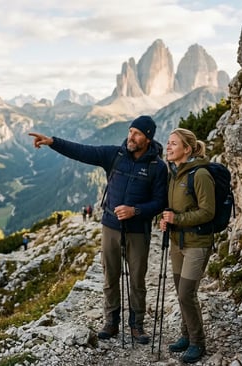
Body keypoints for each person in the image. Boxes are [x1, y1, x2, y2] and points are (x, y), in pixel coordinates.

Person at [29, 115, 168, 343]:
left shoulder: (157, 167)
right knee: (110, 276)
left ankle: (137, 325)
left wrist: (136, 211)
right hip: (110, 226)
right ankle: (111, 322)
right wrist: (53, 142)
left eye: (137, 133)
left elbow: (160, 202)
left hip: (137, 230)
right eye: (130, 131)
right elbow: (83, 151)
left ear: (148, 138)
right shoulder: (115, 155)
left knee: (137, 280)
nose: (130, 137)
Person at [159, 128, 215, 363]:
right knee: (182, 294)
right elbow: (174, 209)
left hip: (197, 244)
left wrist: (177, 220)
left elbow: (208, 211)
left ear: (187, 149)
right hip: (177, 242)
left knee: (186, 293)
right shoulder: (174, 173)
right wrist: (165, 220)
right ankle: (186, 335)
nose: (168, 147)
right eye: (168, 143)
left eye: (173, 144)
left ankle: (197, 343)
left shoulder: (199, 174)